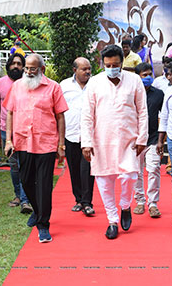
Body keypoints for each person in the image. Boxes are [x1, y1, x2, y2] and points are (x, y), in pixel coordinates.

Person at [81, 45, 148, 239]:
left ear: (122, 63)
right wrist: (86, 142)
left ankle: (125, 205)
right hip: (101, 139)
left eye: (116, 64)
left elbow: (142, 111)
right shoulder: (94, 83)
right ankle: (112, 220)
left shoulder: (135, 80)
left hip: (129, 139)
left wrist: (142, 138)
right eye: (108, 65)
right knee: (104, 180)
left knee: (129, 177)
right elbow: (87, 115)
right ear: (103, 64)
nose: (112, 67)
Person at [4, 54, 68, 243]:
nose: (29, 72)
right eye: (26, 68)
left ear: (42, 69)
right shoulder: (16, 87)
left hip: (46, 143)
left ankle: (43, 224)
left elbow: (60, 117)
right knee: (25, 180)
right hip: (22, 142)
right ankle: (37, 210)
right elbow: (10, 113)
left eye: (33, 69)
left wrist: (61, 144)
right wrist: (8, 140)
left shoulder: (54, 87)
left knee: (44, 185)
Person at [0, 53, 33, 214]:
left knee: (25, 164)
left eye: (19, 64)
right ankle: (18, 195)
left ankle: (25, 199)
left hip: (24, 130)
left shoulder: (29, 84)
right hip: (5, 130)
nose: (16, 66)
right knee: (14, 165)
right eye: (13, 64)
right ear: (8, 66)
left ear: (23, 67)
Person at [60, 57, 95, 216]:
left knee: (87, 169)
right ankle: (79, 200)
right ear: (75, 70)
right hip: (71, 133)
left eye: (89, 68)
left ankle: (87, 202)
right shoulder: (64, 85)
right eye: (84, 69)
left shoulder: (96, 85)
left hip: (90, 135)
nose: (87, 71)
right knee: (74, 169)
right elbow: (59, 111)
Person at [133, 63, 164, 217]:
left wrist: (160, 140)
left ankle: (153, 203)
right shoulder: (131, 94)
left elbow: (163, 117)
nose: (148, 77)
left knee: (154, 169)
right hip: (135, 139)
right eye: (144, 75)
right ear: (137, 77)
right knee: (136, 172)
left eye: (149, 74)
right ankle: (139, 201)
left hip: (152, 139)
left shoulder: (159, 94)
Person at [157, 60, 172, 225]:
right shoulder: (169, 92)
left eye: (170, 74)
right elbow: (164, 116)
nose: (167, 78)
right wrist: (160, 141)